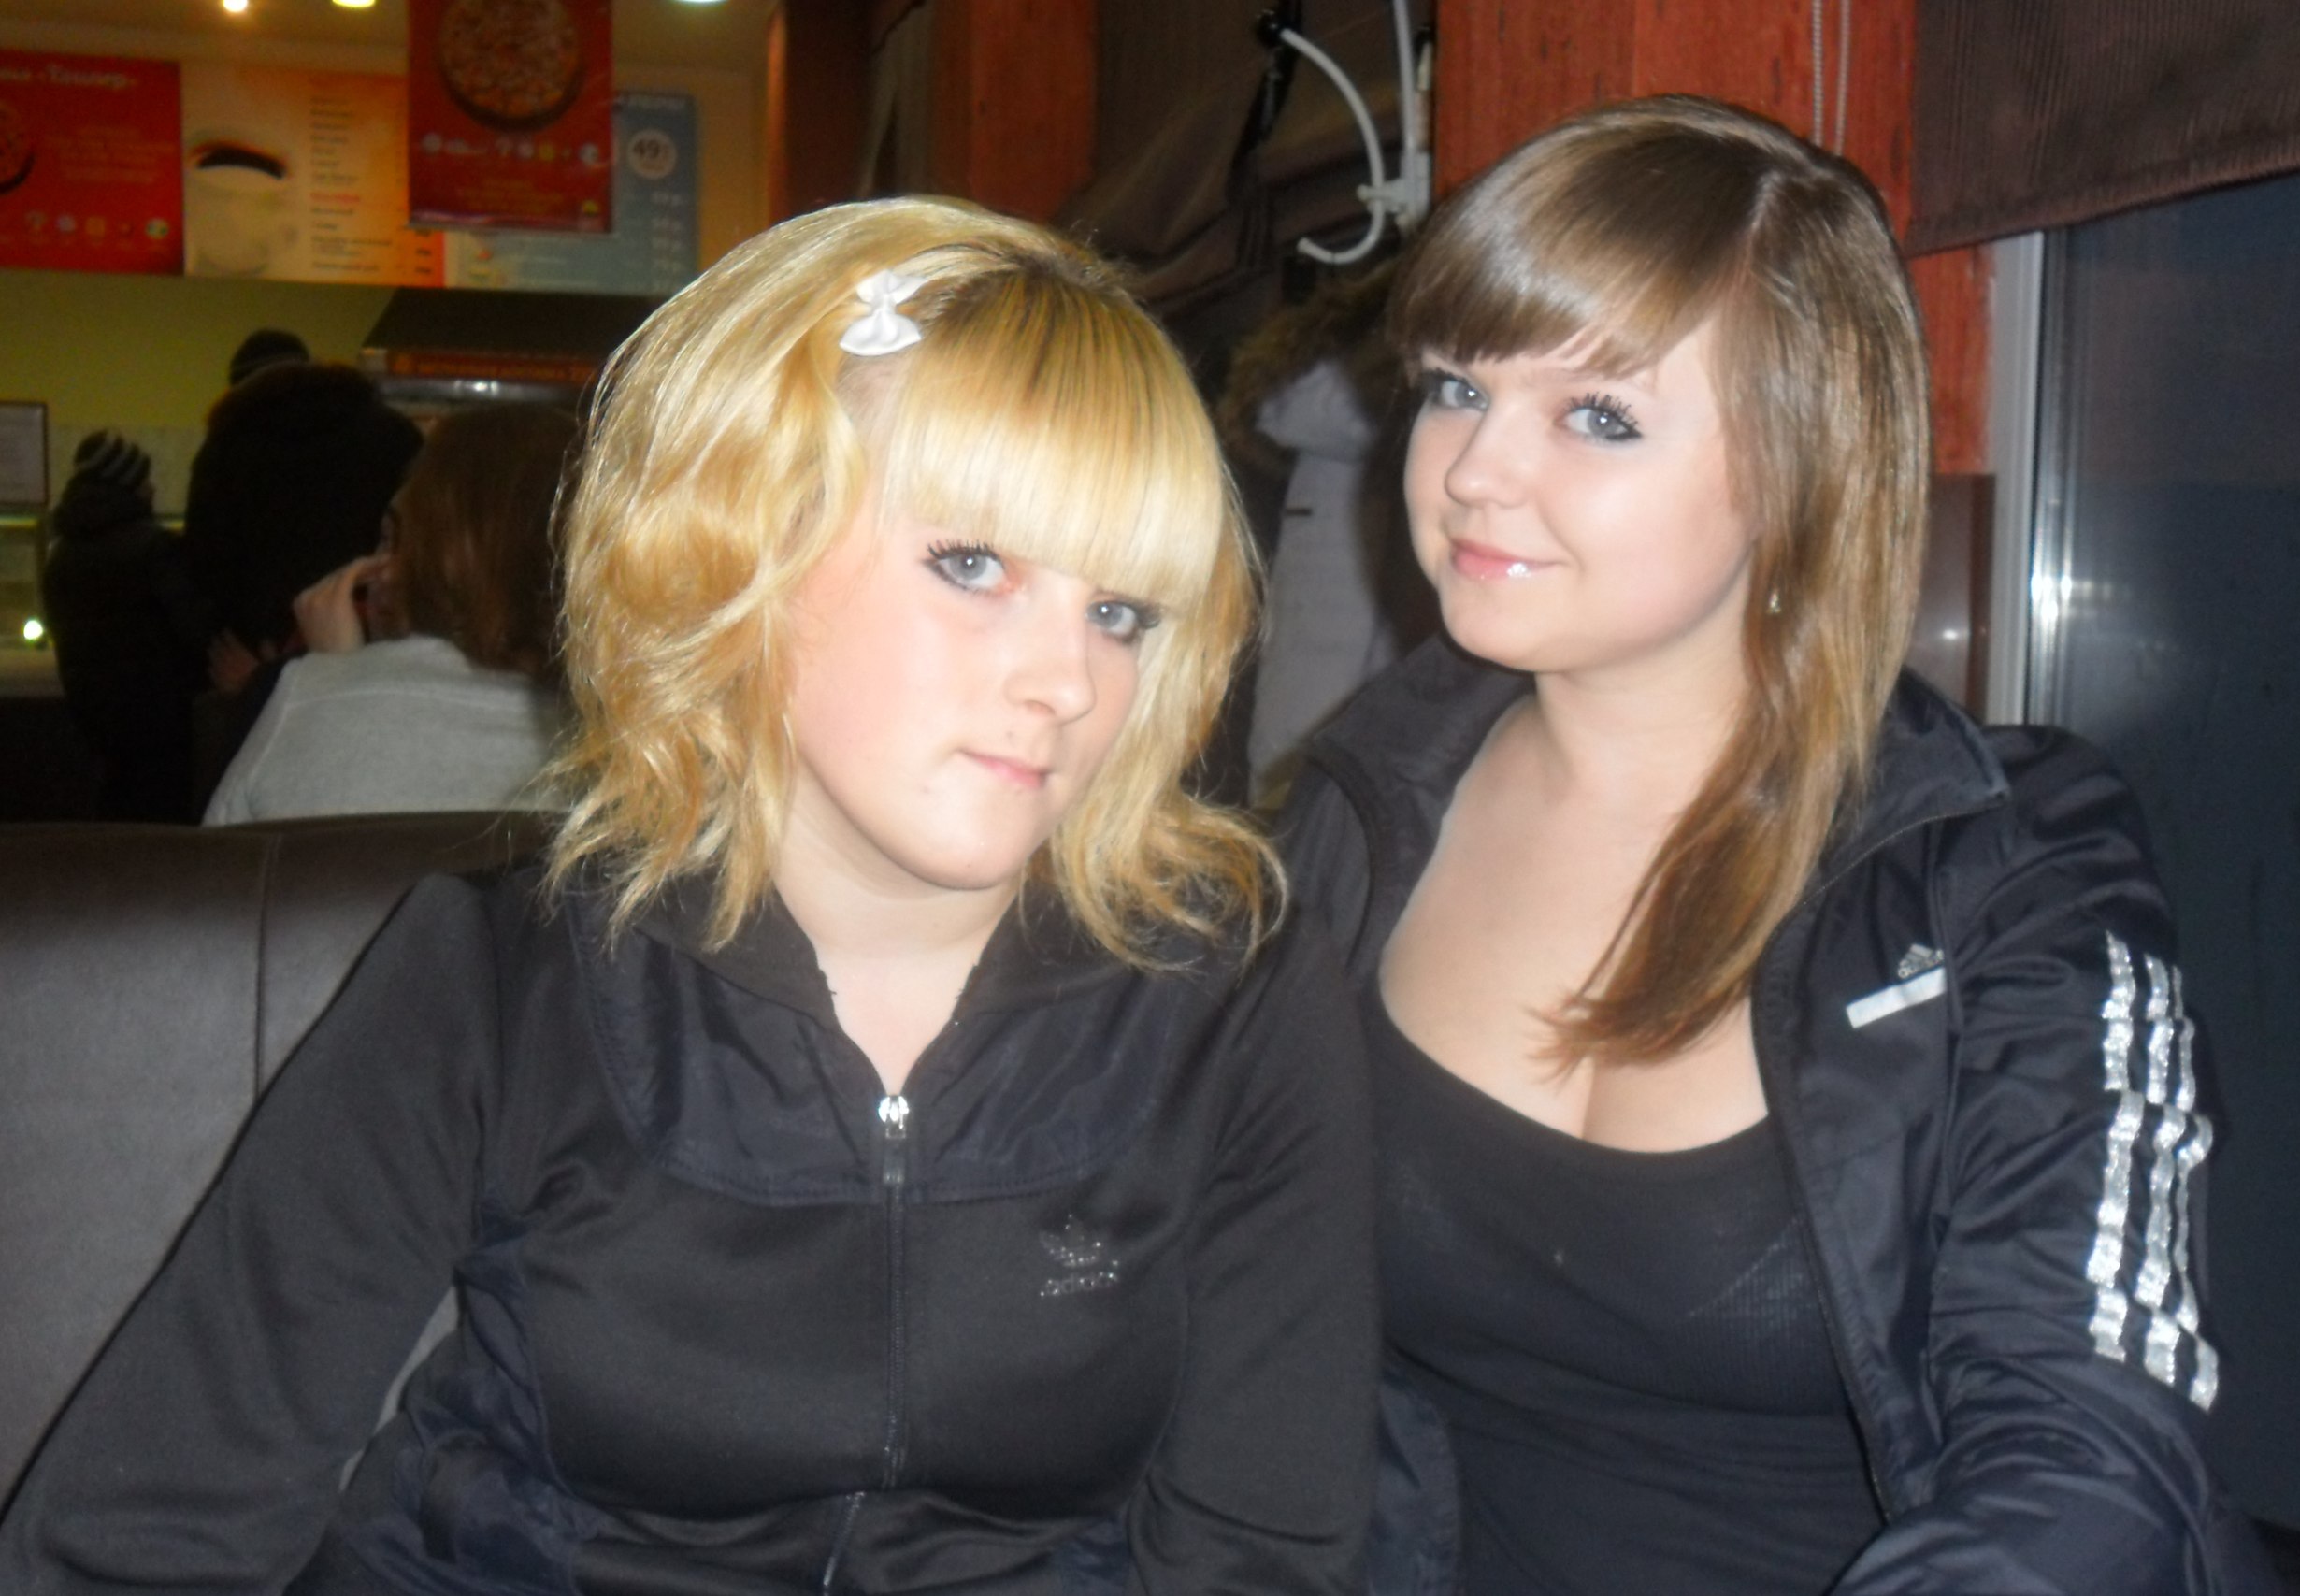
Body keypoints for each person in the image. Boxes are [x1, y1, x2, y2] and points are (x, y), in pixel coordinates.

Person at [0, 196, 1376, 1594]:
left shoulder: (1238, 999)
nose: (1068, 682)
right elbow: (141, 1537)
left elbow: (1260, 1556)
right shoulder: (500, 982)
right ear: (742, 552)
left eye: (1120, 611)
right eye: (973, 564)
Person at [1277, 97, 2278, 1595]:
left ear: (1798, 466)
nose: (1474, 469)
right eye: (1455, 387)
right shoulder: (1356, 810)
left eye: (1598, 416)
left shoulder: (2005, 869)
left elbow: (2089, 1453)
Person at [202, 402, 576, 823]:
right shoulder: (612, 736)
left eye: (395, 541)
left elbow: (224, 848)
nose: (376, 570)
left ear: (441, 556)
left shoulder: (298, 697)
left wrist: (333, 679)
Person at [180, 358, 424, 793]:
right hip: (373, 648)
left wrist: (258, 670)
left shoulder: (230, 443)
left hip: (249, 659)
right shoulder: (392, 434)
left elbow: (204, 564)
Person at [37, 431, 211, 821]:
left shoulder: (61, 555)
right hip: (164, 725)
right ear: (128, 483)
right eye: (144, 478)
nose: (152, 488)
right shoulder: (155, 549)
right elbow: (194, 631)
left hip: (96, 722)